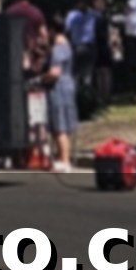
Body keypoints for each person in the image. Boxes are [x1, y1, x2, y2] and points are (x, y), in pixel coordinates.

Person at [43, 28, 79, 173]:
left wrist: (42, 79)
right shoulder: (68, 47)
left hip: (59, 89)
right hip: (68, 86)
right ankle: (63, 158)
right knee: (64, 124)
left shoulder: (58, 49)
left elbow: (54, 72)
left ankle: (64, 160)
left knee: (59, 125)